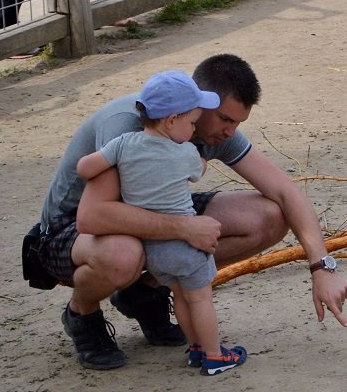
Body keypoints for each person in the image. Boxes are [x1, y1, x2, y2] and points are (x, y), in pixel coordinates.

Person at [34, 54, 347, 370]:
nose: (231, 131)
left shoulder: (202, 128)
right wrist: (184, 229)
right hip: (72, 229)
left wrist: (321, 266)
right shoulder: (129, 129)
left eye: (238, 123)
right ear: (197, 105)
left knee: (270, 216)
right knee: (122, 254)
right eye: (226, 120)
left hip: (152, 211)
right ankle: (82, 313)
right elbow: (93, 216)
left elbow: (285, 191)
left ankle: (144, 293)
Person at [75, 71, 248, 375]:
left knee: (180, 295)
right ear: (171, 121)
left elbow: (86, 167)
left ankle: (194, 348)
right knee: (200, 297)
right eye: (192, 122)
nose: (194, 129)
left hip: (153, 250)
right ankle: (213, 354)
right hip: (186, 244)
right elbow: (200, 170)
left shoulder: (124, 143)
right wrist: (199, 160)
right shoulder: (184, 152)